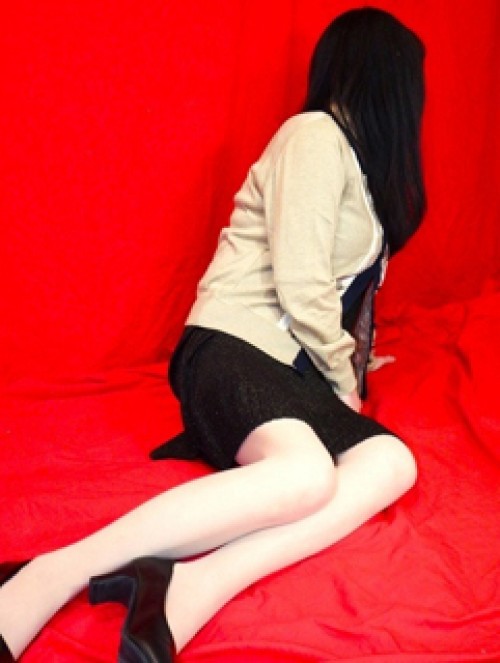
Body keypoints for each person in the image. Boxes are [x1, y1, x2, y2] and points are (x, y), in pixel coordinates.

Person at [0, 7, 426, 662]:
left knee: (392, 463)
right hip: (232, 348)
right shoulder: (315, 135)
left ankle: (189, 583)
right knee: (309, 476)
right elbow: (303, 282)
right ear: (389, 81)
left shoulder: (362, 175)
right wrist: (346, 382)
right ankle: (49, 573)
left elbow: (346, 292)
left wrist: (355, 365)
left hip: (288, 369)